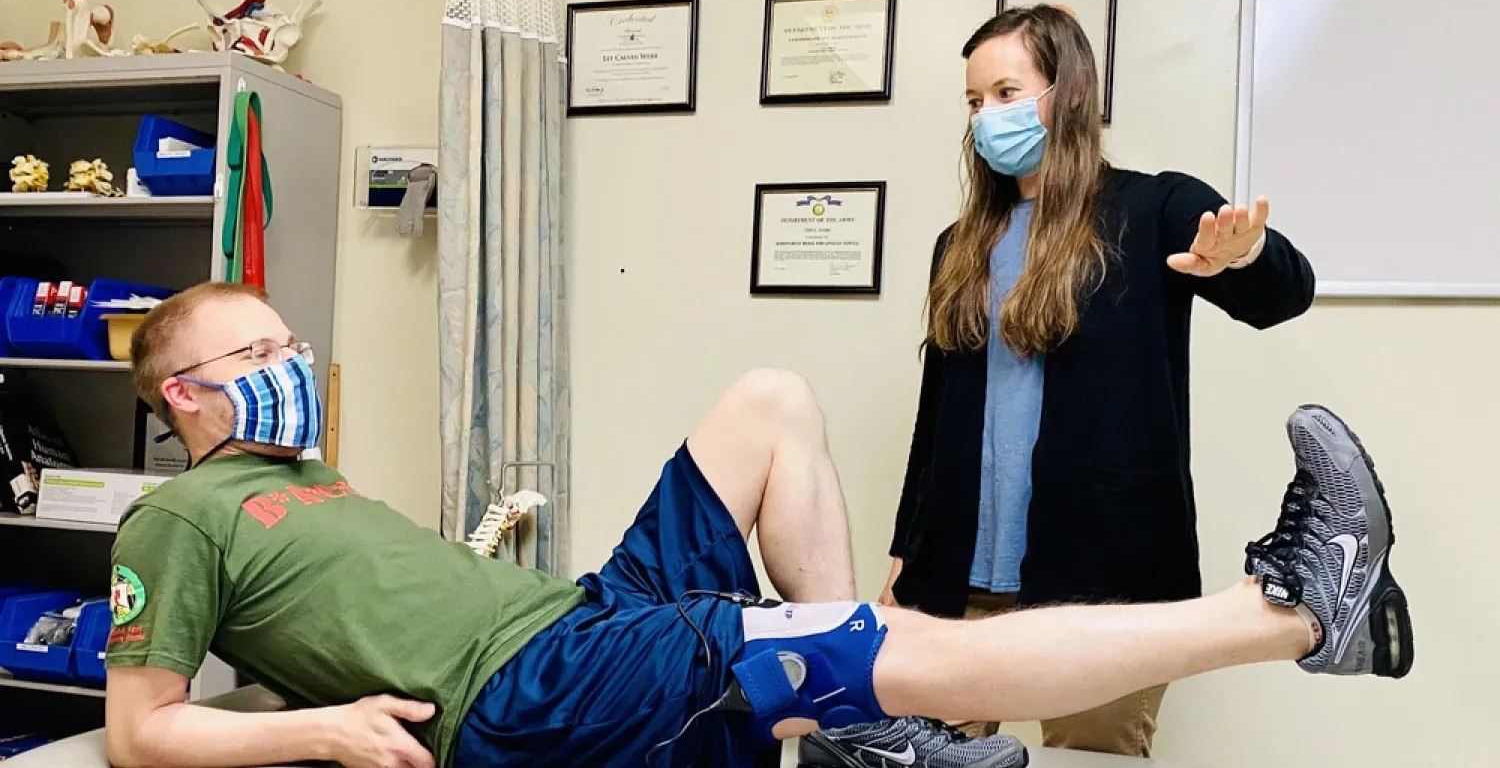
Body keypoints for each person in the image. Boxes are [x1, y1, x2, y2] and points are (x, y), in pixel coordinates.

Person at [104, 283, 1411, 768]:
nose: (292, 358)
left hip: (575, 622)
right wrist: (317, 730)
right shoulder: (179, 517)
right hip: (522, 698)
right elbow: (139, 724)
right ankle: (1294, 608)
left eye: (288, 338)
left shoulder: (321, 482)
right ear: (184, 395)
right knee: (831, 632)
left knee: (770, 401)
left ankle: (863, 734)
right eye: (257, 349)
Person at [880, 5, 1318, 756]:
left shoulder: (1155, 208)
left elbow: (1282, 293)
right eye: (975, 102)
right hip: (953, 586)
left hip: (1104, 586)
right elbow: (937, 415)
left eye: (1008, 93)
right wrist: (902, 554)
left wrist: (1244, 255)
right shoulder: (958, 245)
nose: (988, 118)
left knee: (1091, 760)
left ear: (1070, 93)